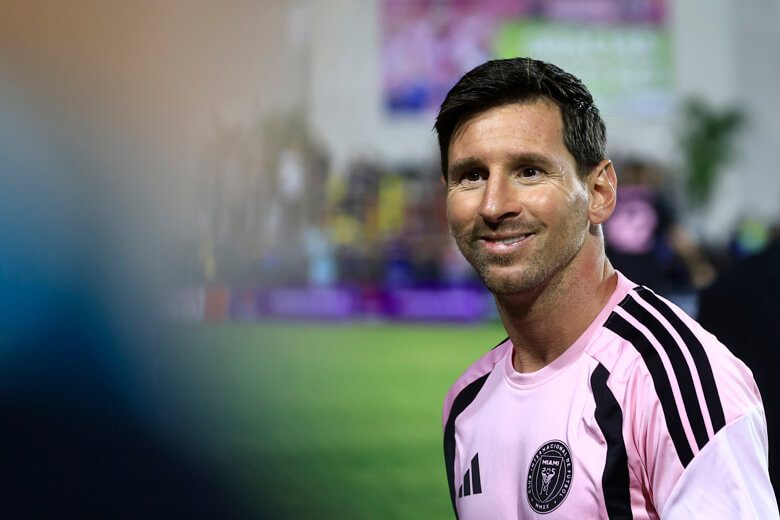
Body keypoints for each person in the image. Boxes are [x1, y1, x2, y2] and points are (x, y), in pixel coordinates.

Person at [434, 57, 777, 519]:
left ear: (599, 193)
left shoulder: (673, 380)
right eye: (472, 176)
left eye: (529, 171)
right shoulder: (466, 402)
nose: (494, 205)